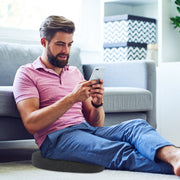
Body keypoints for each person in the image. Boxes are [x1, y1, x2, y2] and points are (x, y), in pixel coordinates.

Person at [13, 15, 180, 176]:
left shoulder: (74, 72)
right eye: (60, 44)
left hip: (86, 129)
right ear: (44, 42)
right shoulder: (27, 73)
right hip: (56, 139)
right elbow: (31, 123)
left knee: (136, 126)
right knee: (120, 150)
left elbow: (96, 123)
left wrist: (97, 103)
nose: (66, 50)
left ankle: (175, 156)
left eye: (70, 44)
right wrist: (72, 98)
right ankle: (172, 167)